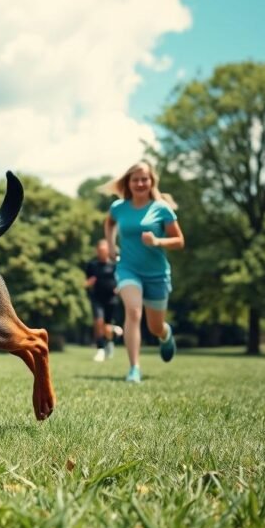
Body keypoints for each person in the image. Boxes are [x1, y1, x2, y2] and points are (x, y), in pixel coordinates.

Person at [103, 161, 184, 383]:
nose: (140, 183)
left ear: (151, 182)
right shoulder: (119, 207)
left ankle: (165, 334)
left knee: (154, 327)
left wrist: (157, 241)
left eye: (144, 179)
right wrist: (110, 245)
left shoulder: (161, 209)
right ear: (128, 183)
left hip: (157, 274)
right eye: (135, 179)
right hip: (128, 269)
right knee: (133, 311)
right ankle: (134, 369)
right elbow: (109, 224)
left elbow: (179, 240)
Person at [84, 239, 123, 362]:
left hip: (111, 299)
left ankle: (110, 342)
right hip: (97, 298)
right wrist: (88, 283)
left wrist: (118, 288)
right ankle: (100, 349)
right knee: (98, 322)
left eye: (104, 250)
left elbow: (121, 279)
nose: (102, 253)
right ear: (97, 251)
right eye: (100, 250)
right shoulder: (92, 265)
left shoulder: (114, 265)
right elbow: (86, 282)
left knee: (107, 327)